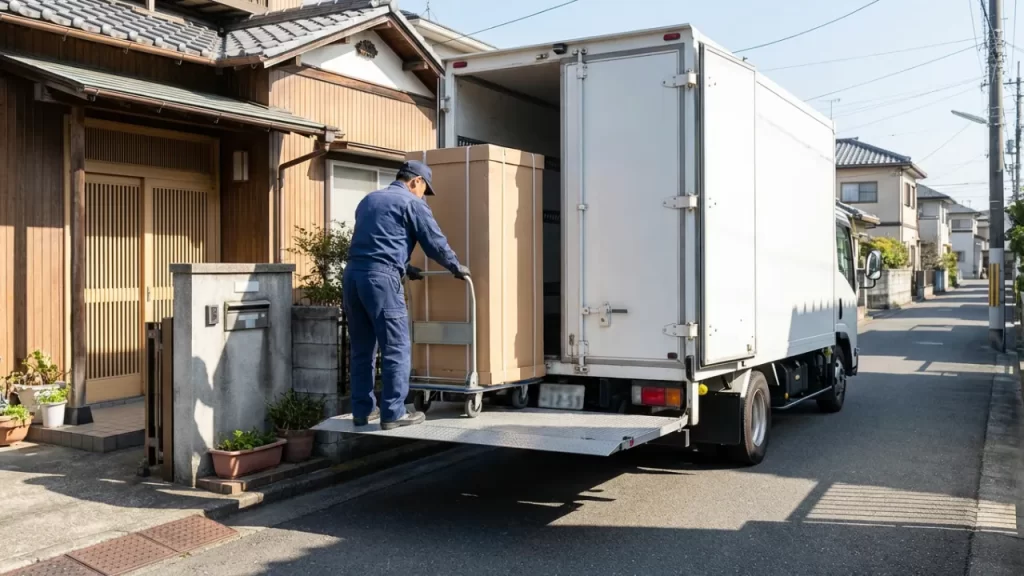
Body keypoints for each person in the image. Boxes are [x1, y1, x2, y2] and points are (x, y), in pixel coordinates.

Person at [343, 160, 469, 430]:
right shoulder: (411, 203)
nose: (424, 195)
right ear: (416, 181)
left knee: (362, 349)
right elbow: (434, 242)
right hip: (381, 281)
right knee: (396, 347)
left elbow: (376, 241)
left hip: (352, 277)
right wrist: (455, 266)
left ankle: (363, 411)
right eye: (425, 189)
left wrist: (405, 267)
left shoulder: (369, 200)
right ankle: (394, 413)